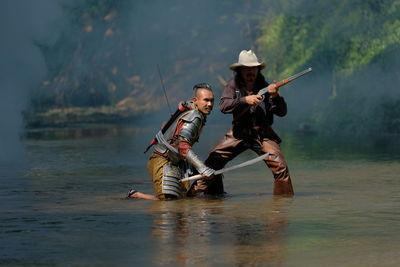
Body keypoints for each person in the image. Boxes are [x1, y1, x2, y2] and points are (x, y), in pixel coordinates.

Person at [202, 50, 294, 196]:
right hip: (238, 133)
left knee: (281, 167)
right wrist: (245, 100)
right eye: (246, 69)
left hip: (262, 134)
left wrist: (276, 96)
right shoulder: (232, 86)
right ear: (240, 71)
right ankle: (213, 200)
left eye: (253, 69)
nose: (250, 72)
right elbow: (224, 106)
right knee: (211, 163)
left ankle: (283, 207)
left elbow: (282, 112)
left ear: (258, 70)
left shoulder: (267, 86)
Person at [127, 83, 215, 200]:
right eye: (206, 100)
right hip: (163, 160)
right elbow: (183, 146)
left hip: (177, 161)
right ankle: (136, 195)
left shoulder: (194, 112)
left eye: (212, 101)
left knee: (185, 199)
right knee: (167, 201)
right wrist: (202, 168)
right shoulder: (194, 116)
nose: (209, 104)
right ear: (196, 100)